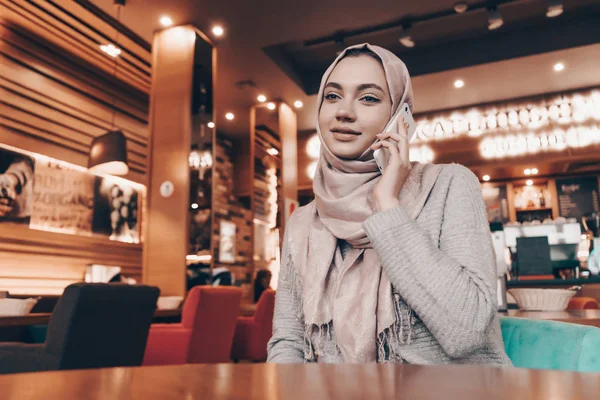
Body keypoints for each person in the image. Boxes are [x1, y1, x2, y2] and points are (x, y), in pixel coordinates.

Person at [267, 44, 512, 365]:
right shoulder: (303, 222)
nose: (344, 111)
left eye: (368, 98)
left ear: (399, 115)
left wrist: (387, 206)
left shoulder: (451, 184)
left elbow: (467, 332)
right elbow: (288, 341)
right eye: (332, 96)